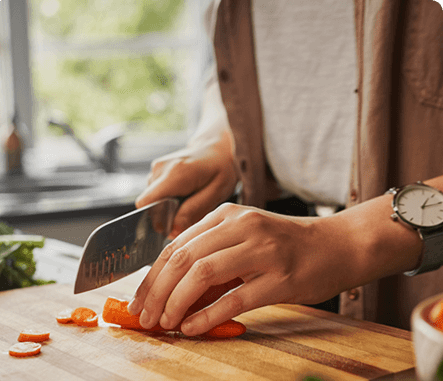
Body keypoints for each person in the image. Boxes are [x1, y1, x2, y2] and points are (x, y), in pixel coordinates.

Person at [128, 0, 443, 336]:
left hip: (418, 276)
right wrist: (221, 140)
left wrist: (348, 240)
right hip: (285, 255)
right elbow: (234, 67)